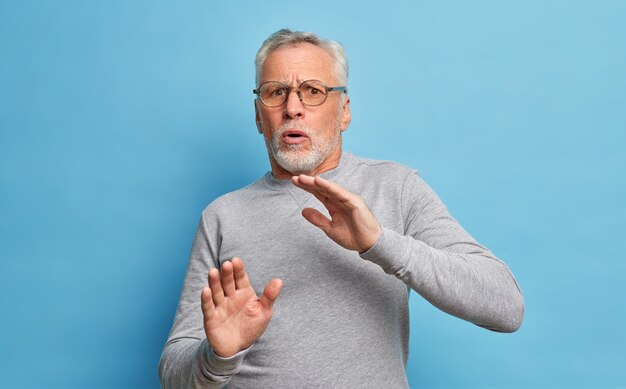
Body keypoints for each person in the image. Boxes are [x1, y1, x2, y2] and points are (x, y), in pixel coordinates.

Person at [159, 29, 524, 388]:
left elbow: (506, 307)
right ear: (258, 115)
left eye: (313, 92)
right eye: (276, 93)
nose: (292, 108)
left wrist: (379, 243)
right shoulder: (222, 216)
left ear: (344, 111)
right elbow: (173, 373)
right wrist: (217, 357)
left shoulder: (396, 188)